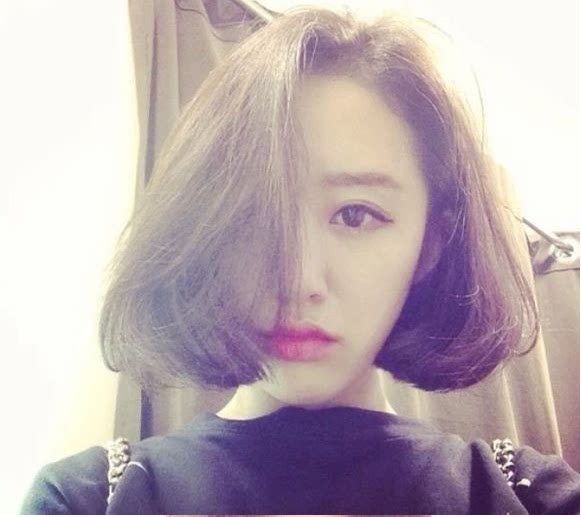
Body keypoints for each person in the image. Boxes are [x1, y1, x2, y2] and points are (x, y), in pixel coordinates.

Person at [21, 6, 579, 515]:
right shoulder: (87, 500)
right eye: (255, 214)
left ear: (429, 244)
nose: (298, 280)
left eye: (356, 215)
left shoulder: (530, 498)